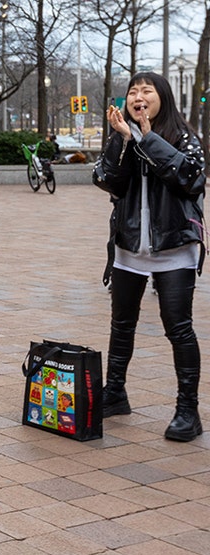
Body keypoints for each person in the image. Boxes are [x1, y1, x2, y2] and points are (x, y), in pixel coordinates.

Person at [93, 71, 205, 442]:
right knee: (121, 324)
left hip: (174, 246)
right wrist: (124, 140)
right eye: (132, 91)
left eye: (147, 91)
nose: (138, 96)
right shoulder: (121, 136)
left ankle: (187, 410)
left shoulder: (183, 138)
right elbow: (108, 180)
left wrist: (147, 137)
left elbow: (191, 179)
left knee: (179, 327)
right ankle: (115, 393)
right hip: (129, 247)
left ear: (163, 98)